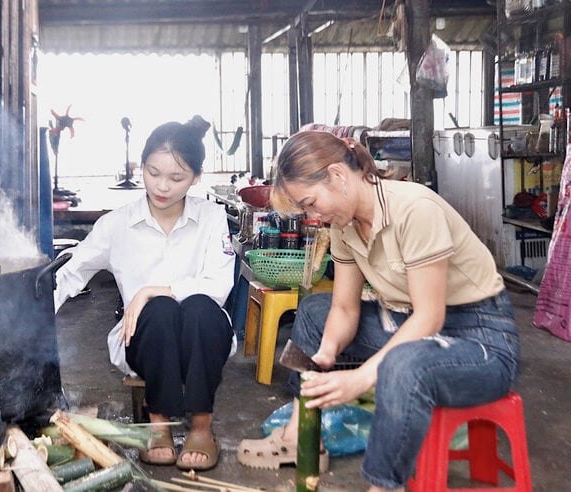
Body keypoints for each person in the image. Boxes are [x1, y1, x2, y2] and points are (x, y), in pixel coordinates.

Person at [237, 130, 520, 492]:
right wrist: (325, 355)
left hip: (481, 338)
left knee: (403, 364)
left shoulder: (415, 209)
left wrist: (361, 377)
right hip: (412, 322)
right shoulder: (345, 224)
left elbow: (429, 318)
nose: (313, 215)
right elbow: (343, 307)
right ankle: (298, 437)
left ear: (338, 176)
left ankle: (383, 486)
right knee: (315, 311)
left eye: (310, 202)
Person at [54, 115, 236, 471]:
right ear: (142, 166)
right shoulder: (116, 225)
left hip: (203, 337)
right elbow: (70, 275)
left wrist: (151, 291)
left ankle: (201, 428)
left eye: (176, 178)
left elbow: (218, 286)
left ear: (196, 178)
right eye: (153, 173)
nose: (162, 186)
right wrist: (23, 318)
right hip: (145, 338)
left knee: (198, 306)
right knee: (161, 311)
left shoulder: (212, 217)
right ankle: (159, 427)